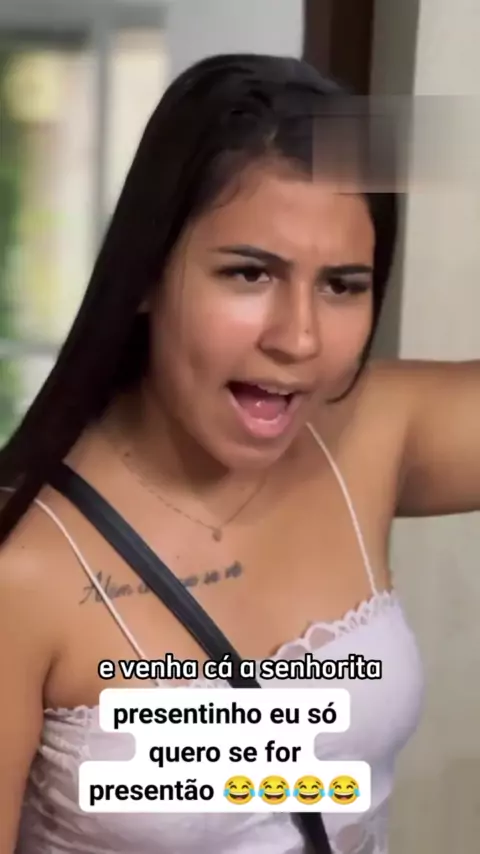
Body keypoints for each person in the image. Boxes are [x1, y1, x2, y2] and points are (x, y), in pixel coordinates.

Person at [0, 52, 478, 854]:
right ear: (146, 274)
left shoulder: (367, 431)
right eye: (250, 273)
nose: (299, 338)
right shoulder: (23, 565)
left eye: (343, 285)